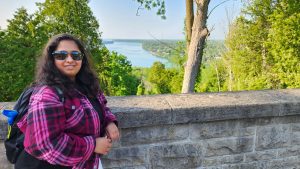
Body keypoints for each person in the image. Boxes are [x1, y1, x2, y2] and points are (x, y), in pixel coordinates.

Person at [15, 33, 120, 169]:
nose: (70, 60)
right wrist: (93, 145)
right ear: (51, 59)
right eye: (61, 55)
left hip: (88, 163)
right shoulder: (46, 95)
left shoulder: (87, 85)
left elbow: (102, 106)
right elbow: (47, 145)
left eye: (75, 55)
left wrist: (109, 121)